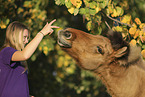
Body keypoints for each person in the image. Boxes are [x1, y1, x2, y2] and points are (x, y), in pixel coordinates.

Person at [0, 19, 59, 97]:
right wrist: (41, 33)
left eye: (27, 38)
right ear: (14, 35)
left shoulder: (19, 60)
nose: (26, 41)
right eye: (24, 37)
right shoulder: (6, 51)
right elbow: (25, 55)